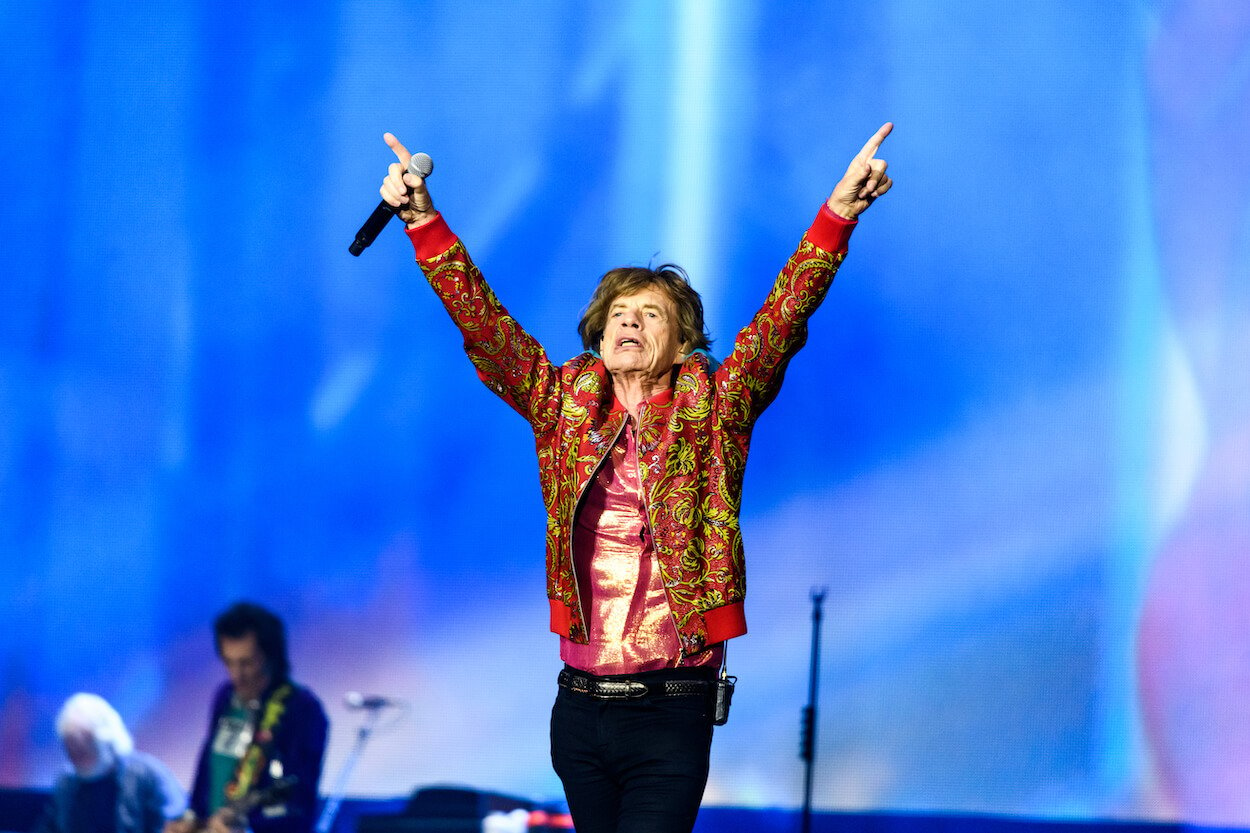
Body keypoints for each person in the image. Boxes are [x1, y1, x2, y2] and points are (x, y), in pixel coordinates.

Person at [377, 123, 893, 833]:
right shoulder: (560, 401)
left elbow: (782, 320)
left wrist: (838, 214)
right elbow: (486, 328)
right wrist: (422, 220)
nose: (630, 323)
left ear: (683, 342)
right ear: (596, 332)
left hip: (671, 702)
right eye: (619, 313)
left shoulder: (715, 405)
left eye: (650, 315)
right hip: (580, 706)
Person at [164, 602, 328, 833]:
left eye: (247, 663)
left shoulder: (302, 709)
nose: (236, 675)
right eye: (228, 662)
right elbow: (208, 769)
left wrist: (247, 826)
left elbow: (298, 799)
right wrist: (192, 819)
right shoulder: (225, 697)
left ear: (271, 656)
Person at [40, 693, 186, 833]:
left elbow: (176, 824)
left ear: (107, 739)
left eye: (85, 740)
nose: (76, 750)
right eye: (69, 744)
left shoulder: (148, 776)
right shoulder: (66, 786)